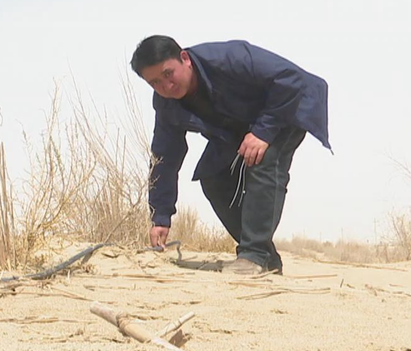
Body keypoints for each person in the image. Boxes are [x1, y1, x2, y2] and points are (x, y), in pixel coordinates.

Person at [130, 35, 331, 274]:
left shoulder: (229, 59)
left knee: (263, 160)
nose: (166, 86)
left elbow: (291, 80)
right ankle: (266, 259)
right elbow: (164, 158)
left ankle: (253, 255)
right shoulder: (166, 103)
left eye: (168, 74)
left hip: (284, 109)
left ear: (184, 58)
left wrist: (263, 132)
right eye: (154, 83)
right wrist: (160, 216)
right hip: (237, 129)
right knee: (212, 177)